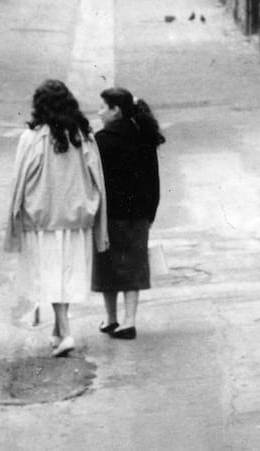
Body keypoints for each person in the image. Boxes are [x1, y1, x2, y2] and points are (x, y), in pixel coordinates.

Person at [5, 79, 108, 357]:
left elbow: (19, 180)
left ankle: (65, 331)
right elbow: (96, 176)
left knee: (49, 274)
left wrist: (16, 215)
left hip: (43, 218)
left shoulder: (32, 137)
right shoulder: (82, 135)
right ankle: (58, 331)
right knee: (66, 274)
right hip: (76, 218)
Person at [91, 87, 164, 340]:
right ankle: (129, 320)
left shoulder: (101, 140)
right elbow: (153, 179)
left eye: (103, 107)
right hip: (138, 213)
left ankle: (111, 318)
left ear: (116, 111)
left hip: (109, 214)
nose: (99, 112)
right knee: (134, 265)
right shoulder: (145, 136)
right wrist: (151, 211)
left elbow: (94, 181)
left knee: (107, 265)